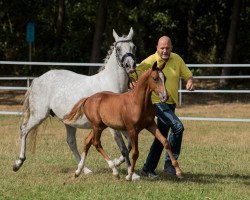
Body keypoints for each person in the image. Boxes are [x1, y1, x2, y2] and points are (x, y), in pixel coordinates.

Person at [130, 36, 194, 178]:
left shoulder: (177, 59)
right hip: (156, 103)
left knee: (161, 136)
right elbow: (135, 74)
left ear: (171, 48)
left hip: (171, 104)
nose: (165, 51)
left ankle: (148, 169)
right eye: (162, 48)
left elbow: (187, 74)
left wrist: (189, 81)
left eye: (168, 48)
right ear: (157, 48)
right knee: (178, 127)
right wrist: (132, 81)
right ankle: (170, 165)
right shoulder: (149, 62)